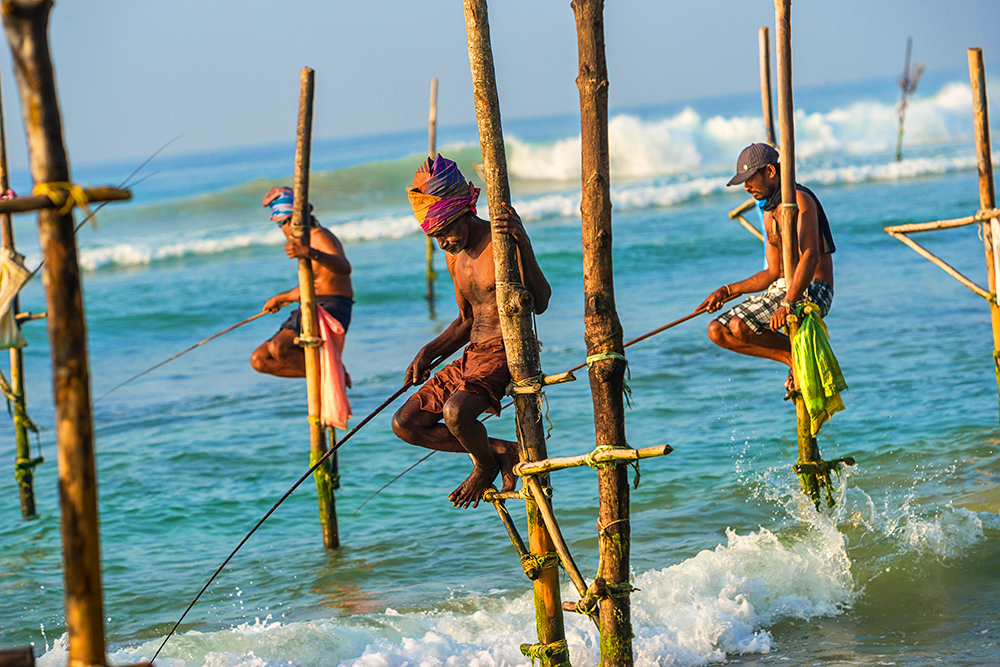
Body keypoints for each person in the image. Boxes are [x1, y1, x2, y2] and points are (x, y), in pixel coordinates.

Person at [391, 155, 551, 508]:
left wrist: (524, 244)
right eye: (435, 237)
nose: (445, 243)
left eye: (446, 231)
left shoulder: (502, 243)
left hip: (506, 351)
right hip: (472, 356)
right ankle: (503, 452)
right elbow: (466, 320)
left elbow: (541, 301)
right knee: (406, 423)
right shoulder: (454, 257)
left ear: (465, 211)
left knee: (455, 413)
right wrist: (427, 353)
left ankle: (483, 466)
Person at [700, 143, 836, 394]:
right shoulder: (768, 213)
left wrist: (789, 302)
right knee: (717, 331)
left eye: (750, 179)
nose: (746, 187)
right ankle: (792, 358)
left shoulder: (800, 200)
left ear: (770, 172)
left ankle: (796, 358)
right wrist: (727, 290)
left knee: (742, 326)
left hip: (813, 288)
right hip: (781, 288)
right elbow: (772, 273)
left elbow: (811, 257)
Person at [250, 186, 354, 379]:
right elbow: (315, 283)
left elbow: (344, 267)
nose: (283, 229)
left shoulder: (318, 236)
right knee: (260, 358)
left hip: (332, 305)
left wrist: (310, 252)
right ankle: (327, 374)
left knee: (279, 347)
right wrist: (282, 298)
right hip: (312, 302)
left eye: (283, 223)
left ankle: (333, 374)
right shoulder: (306, 242)